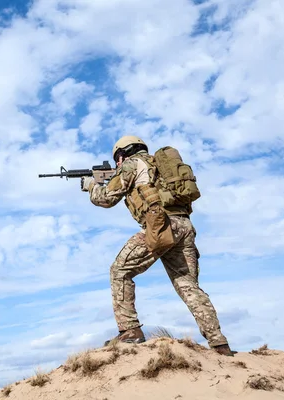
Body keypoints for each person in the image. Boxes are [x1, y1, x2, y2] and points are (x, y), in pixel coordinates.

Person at [80, 135, 234, 356]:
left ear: (122, 154)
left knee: (119, 271)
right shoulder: (159, 166)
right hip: (185, 225)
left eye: (117, 158)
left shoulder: (132, 164)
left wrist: (91, 186)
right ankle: (219, 343)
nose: (117, 163)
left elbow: (106, 198)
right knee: (187, 285)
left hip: (160, 225)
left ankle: (130, 330)